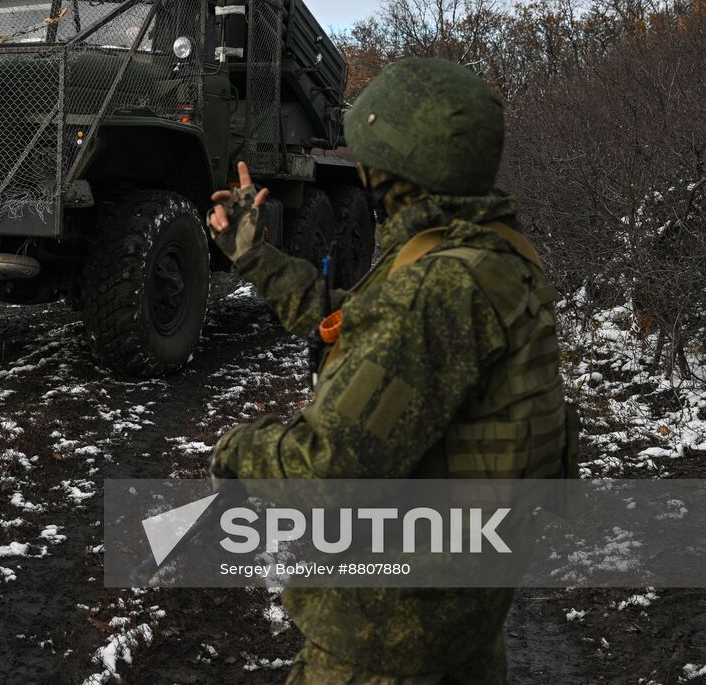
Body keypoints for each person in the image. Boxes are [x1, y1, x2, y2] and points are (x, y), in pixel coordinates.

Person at [206, 57, 575, 684]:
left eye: (370, 162)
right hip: (467, 607)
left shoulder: (437, 286)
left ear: (398, 171)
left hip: (391, 629)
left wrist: (240, 450)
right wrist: (253, 254)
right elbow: (349, 323)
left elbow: (330, 468)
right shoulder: (493, 257)